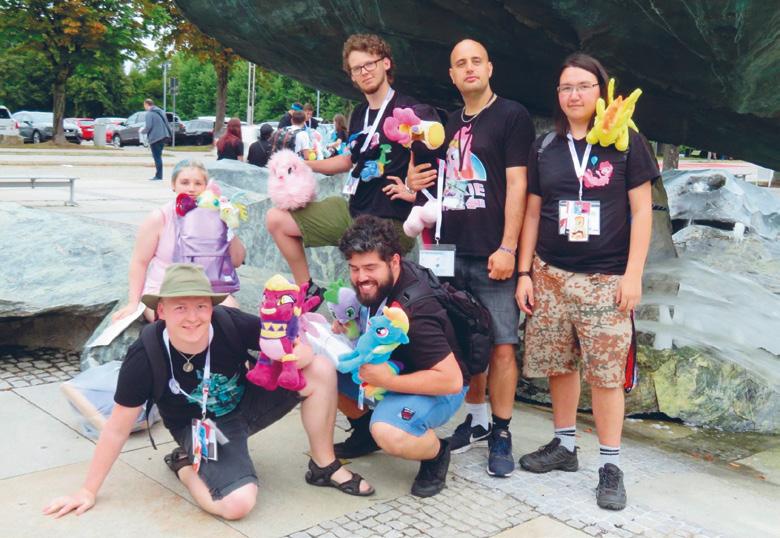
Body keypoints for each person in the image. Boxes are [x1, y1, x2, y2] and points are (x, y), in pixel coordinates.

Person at [43, 263, 374, 520]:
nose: (193, 318)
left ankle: (323, 465)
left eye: (201, 306)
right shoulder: (145, 355)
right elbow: (117, 428)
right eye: (180, 308)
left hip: (249, 402)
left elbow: (293, 345)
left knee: (319, 368)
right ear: (161, 311)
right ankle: (185, 465)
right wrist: (88, 490)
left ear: (211, 307)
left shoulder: (228, 322)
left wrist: (294, 354)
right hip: (202, 427)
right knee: (237, 504)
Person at [515, 53, 656, 511]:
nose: (574, 95)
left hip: (606, 278)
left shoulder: (626, 141)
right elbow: (533, 213)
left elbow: (641, 212)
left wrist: (633, 274)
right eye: (566, 87)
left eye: (583, 86)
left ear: (602, 90)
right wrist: (525, 272)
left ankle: (610, 464)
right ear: (557, 95)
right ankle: (564, 444)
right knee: (559, 364)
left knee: (607, 375)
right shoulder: (545, 147)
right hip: (551, 274)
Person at [406, 39, 535, 477]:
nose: (469, 68)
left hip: (492, 253)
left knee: (501, 345)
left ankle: (502, 429)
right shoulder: (446, 124)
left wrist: (508, 247)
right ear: (452, 75)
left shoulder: (511, 116)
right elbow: (425, 176)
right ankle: (476, 419)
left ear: (490, 67)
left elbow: (518, 186)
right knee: (468, 343)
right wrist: (412, 176)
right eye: (460, 63)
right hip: (448, 252)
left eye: (476, 61)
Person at [265, 33, 420, 301]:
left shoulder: (409, 109)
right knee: (276, 219)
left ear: (386, 63)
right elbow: (348, 160)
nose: (364, 72)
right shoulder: (359, 113)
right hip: (354, 211)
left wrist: (412, 188)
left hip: (390, 221)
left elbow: (431, 156)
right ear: (352, 76)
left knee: (370, 283)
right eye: (357, 68)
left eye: (370, 64)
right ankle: (307, 292)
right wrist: (302, 163)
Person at [334, 216, 468, 498]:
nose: (360, 278)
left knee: (389, 431)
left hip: (437, 385)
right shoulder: (381, 283)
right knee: (319, 368)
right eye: (354, 268)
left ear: (394, 261)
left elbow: (451, 381)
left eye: (370, 267)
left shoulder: (416, 310)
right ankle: (364, 433)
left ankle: (436, 454)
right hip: (392, 370)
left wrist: (387, 381)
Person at [111, 159, 246, 323]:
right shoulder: (159, 217)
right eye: (185, 182)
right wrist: (133, 302)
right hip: (164, 289)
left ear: (206, 187)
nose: (191, 188)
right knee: (177, 322)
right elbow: (140, 262)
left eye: (198, 183)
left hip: (206, 289)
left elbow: (237, 261)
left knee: (230, 315)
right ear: (173, 185)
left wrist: (228, 228)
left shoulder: (215, 215)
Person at [143, 98, 172, 181]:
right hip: (163, 137)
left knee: (157, 157)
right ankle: (159, 175)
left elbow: (148, 126)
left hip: (155, 138)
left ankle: (158, 176)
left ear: (146, 104)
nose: (144, 107)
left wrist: (142, 131)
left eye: (144, 105)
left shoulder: (149, 114)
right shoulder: (160, 111)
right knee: (158, 156)